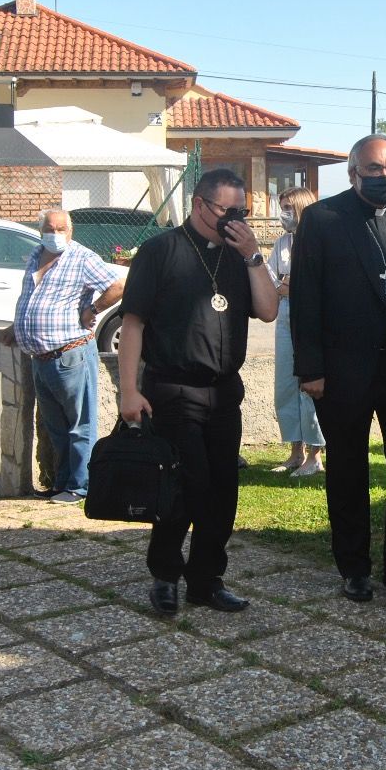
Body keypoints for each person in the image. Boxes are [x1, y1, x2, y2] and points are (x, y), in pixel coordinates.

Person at [289, 135, 386, 604]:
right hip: (343, 371)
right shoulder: (322, 219)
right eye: (375, 169)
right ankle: (354, 568)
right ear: (353, 173)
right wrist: (310, 368)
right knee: (348, 472)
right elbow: (306, 298)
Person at [118, 169, 278, 615]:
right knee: (185, 486)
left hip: (224, 392)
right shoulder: (160, 251)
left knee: (223, 491)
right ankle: (165, 575)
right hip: (173, 389)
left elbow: (268, 310)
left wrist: (252, 257)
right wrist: (127, 390)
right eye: (226, 211)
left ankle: (206, 580)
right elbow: (133, 324)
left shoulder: (240, 254)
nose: (234, 220)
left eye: (241, 212)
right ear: (199, 205)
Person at [11, 209, 125, 504]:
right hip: (41, 358)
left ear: (71, 231)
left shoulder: (82, 258)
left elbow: (118, 285)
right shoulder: (36, 255)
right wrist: (18, 326)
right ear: (40, 230)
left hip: (70, 353)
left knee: (79, 425)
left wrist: (93, 310)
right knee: (56, 428)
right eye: (50, 228)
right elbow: (32, 298)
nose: (56, 234)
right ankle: (61, 483)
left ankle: (80, 486)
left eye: (62, 229)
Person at [268, 186, 325, 477]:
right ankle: (295, 451)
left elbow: (316, 283)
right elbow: (271, 276)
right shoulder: (282, 243)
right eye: (282, 207)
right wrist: (283, 285)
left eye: (288, 207)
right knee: (286, 384)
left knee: (309, 383)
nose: (283, 214)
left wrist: (291, 283)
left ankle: (315, 454)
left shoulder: (319, 240)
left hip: (310, 317)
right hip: (285, 315)